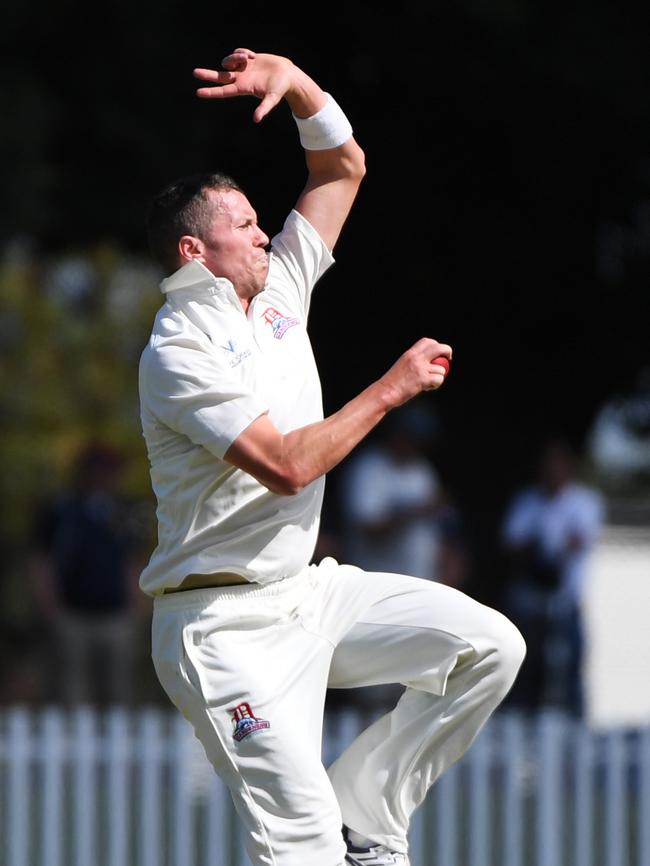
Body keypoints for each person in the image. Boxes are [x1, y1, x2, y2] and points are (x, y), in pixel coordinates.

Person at [139, 47, 525, 866]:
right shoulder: (178, 349)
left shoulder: (277, 289)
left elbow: (342, 167)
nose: (262, 231)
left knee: (490, 649)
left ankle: (369, 819)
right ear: (192, 253)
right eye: (242, 224)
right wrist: (389, 391)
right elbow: (283, 465)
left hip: (305, 594)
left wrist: (297, 84)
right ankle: (332, 839)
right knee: (301, 849)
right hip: (220, 628)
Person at [30, 442, 144, 706]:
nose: (104, 476)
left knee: (119, 685)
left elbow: (134, 560)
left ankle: (119, 742)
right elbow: (42, 561)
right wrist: (49, 604)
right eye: (98, 470)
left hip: (117, 613)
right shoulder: (59, 509)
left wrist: (137, 605)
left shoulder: (128, 510)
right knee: (73, 686)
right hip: (72, 611)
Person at [500, 438, 604, 717]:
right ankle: (522, 721)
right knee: (526, 667)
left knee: (569, 668)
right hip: (531, 600)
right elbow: (513, 543)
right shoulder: (527, 501)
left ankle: (575, 723)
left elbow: (580, 540)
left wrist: (553, 547)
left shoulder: (584, 502)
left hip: (565, 599)